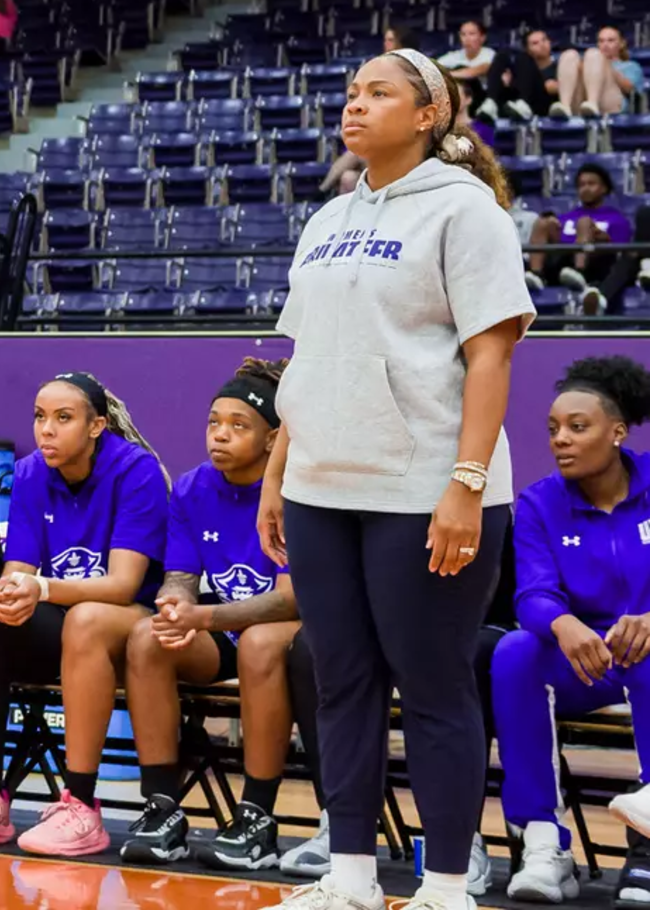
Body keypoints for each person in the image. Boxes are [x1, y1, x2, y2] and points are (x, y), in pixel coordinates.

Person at [260, 45, 532, 910]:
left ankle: (446, 885)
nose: (355, 104)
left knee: (435, 684)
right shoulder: (328, 218)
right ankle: (348, 876)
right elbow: (308, 358)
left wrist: (466, 482)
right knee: (340, 678)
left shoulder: (467, 211)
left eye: (379, 92)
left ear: (428, 114)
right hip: (321, 486)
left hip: (425, 489)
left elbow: (491, 356)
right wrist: (279, 471)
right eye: (351, 91)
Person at [0, 371, 170, 856]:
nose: (46, 429)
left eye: (63, 418)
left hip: (131, 619)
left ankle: (82, 806)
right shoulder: (29, 473)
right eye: (39, 417)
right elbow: (19, 570)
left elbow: (123, 585)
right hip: (65, 615)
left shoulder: (137, 470)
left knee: (87, 618)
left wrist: (41, 588)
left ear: (96, 426)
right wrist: (11, 593)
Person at [121, 359, 302, 869]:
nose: (219, 435)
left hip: (289, 632)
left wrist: (204, 618)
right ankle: (161, 809)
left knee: (259, 643)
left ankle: (256, 817)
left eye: (238, 425)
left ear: (272, 439)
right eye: (213, 422)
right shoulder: (191, 487)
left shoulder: (294, 490)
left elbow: (291, 599)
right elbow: (180, 575)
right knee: (148, 636)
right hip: (223, 629)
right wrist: (175, 604)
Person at [491, 355, 650, 903]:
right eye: (554, 428)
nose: (561, 439)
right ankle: (544, 846)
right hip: (585, 658)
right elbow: (532, 592)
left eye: (577, 427)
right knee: (515, 652)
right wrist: (563, 624)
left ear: (617, 432)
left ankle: (647, 845)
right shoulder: (539, 502)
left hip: (646, 653)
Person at [528, 160, 637, 317]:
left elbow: (620, 253)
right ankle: (536, 274)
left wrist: (601, 237)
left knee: (584, 223)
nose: (585, 188)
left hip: (598, 264)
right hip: (564, 261)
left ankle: (579, 272)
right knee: (543, 223)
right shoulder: (567, 216)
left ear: (604, 188)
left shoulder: (616, 219)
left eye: (591, 184)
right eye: (581, 185)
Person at [556, 24, 645, 118]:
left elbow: (631, 90)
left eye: (610, 40)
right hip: (580, 105)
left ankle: (592, 103)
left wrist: (607, 68)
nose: (605, 45)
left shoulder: (631, 66)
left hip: (612, 106)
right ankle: (565, 106)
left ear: (622, 43)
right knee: (569, 55)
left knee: (593, 54)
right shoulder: (589, 60)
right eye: (601, 41)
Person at [440, 20, 499, 90]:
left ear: (482, 37)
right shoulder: (454, 55)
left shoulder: (489, 54)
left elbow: (482, 69)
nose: (467, 39)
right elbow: (433, 67)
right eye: (463, 34)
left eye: (472, 34)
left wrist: (449, 75)